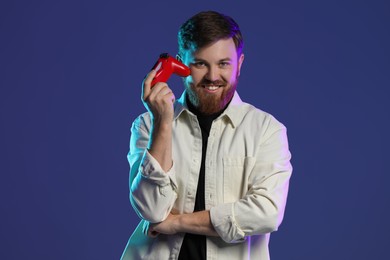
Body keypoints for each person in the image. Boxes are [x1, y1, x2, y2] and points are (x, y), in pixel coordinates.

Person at [121, 11, 292, 260]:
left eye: (223, 63)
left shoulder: (266, 130)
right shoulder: (148, 125)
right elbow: (152, 210)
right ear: (180, 64)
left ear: (239, 64)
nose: (212, 76)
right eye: (200, 63)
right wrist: (164, 123)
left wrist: (178, 223)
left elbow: (267, 212)